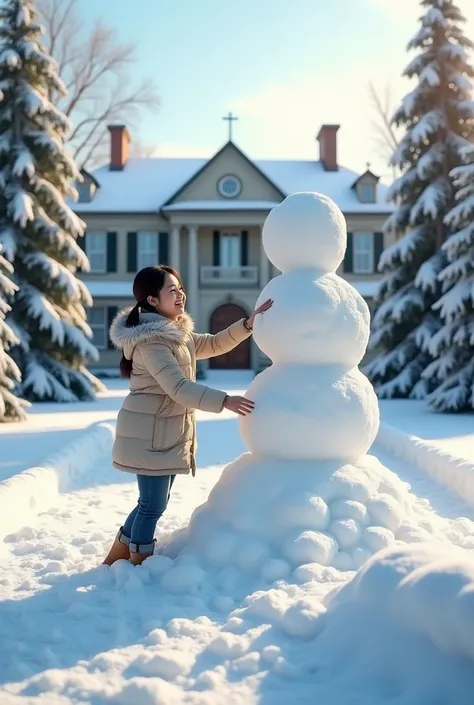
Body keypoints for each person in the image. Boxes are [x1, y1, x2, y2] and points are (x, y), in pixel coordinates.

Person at [103, 265, 273, 567]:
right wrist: (225, 401)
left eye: (180, 288)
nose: (180, 294)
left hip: (162, 431)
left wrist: (247, 324)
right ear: (153, 300)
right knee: (152, 505)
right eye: (172, 290)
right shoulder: (152, 341)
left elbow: (213, 343)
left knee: (153, 503)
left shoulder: (175, 334)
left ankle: (118, 558)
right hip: (150, 434)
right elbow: (177, 387)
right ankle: (139, 562)